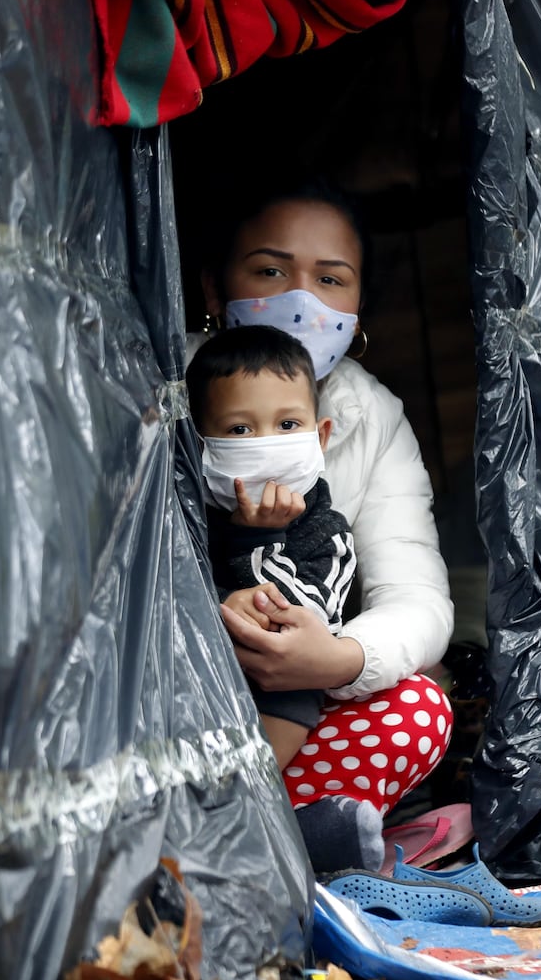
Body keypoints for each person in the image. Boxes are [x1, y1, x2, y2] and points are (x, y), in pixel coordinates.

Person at [192, 178, 456, 871]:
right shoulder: (161, 385)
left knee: (420, 709)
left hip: (295, 693)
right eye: (271, 270)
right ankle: (285, 842)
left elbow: (419, 600)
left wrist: (336, 660)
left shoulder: (373, 418)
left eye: (330, 279)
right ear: (215, 290)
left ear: (359, 307)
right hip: (180, 689)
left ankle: (255, 838)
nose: (301, 299)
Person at [187, 325, 356, 770]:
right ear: (201, 444)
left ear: (320, 437)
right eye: (240, 429)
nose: (266, 444)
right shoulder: (181, 512)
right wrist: (223, 605)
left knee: (293, 695)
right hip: (193, 689)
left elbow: (308, 621)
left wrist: (258, 540)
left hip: (278, 693)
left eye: (287, 425)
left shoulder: (327, 532)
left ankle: (261, 801)